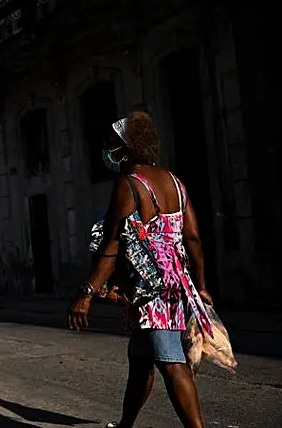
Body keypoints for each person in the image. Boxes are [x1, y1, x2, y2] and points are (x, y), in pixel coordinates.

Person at [67, 111, 214, 428]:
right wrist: (200, 286)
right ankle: (125, 425)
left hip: (153, 292)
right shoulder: (175, 183)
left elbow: (111, 246)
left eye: (112, 146)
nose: (108, 153)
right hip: (177, 286)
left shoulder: (129, 184)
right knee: (140, 360)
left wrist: (86, 292)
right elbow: (193, 238)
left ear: (130, 147)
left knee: (173, 364)